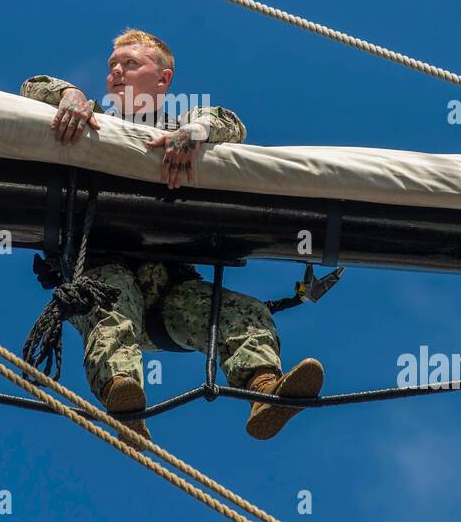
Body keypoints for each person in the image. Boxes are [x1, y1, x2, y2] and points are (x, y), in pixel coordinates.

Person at [19, 28, 324, 442]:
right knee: (115, 299)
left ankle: (265, 391)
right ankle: (123, 400)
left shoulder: (182, 128)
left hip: (170, 297)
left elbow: (230, 123)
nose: (117, 73)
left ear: (162, 80)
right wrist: (69, 94)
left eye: (130, 64)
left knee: (243, 313)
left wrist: (194, 133)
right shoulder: (89, 121)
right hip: (102, 275)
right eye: (112, 66)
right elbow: (31, 87)